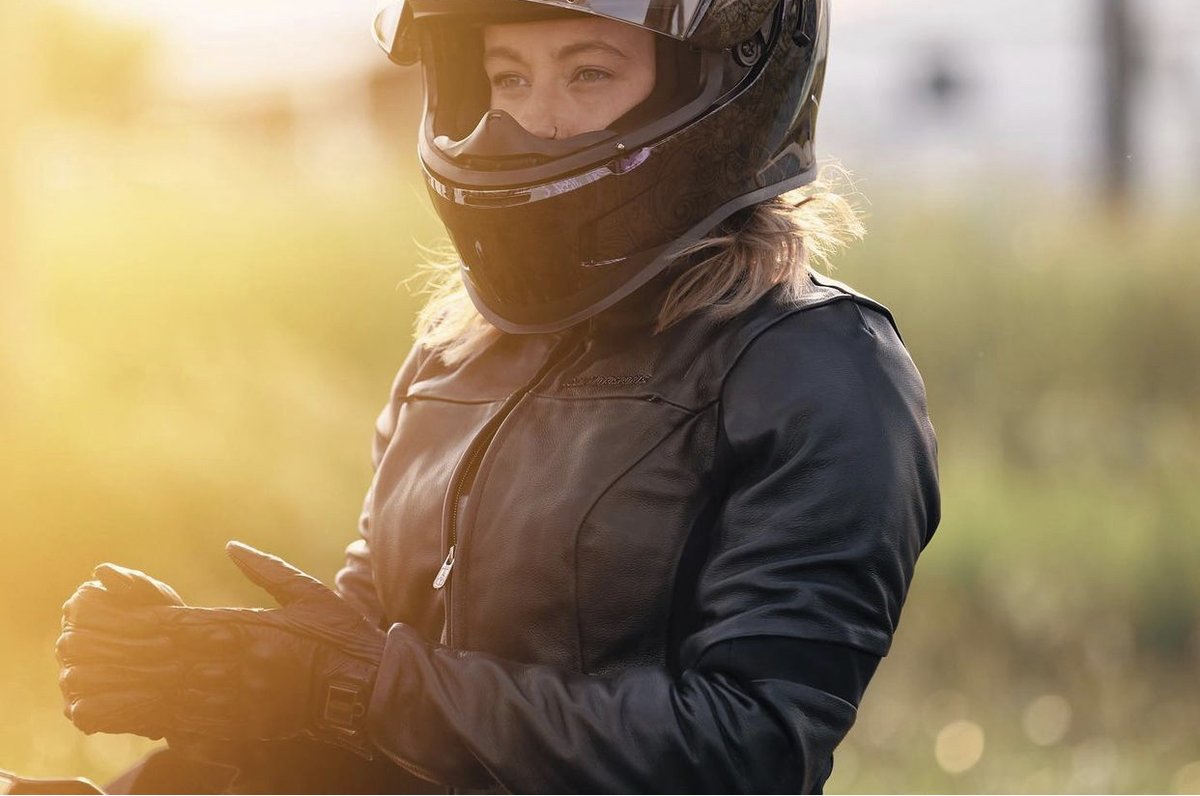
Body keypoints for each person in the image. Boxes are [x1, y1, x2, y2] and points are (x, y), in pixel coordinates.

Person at [54, 0, 940, 792]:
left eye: (588, 73)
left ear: (716, 81)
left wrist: (355, 686)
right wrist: (214, 700)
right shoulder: (454, 351)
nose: (531, 120)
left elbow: (749, 752)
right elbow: (369, 704)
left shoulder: (819, 369)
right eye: (507, 77)